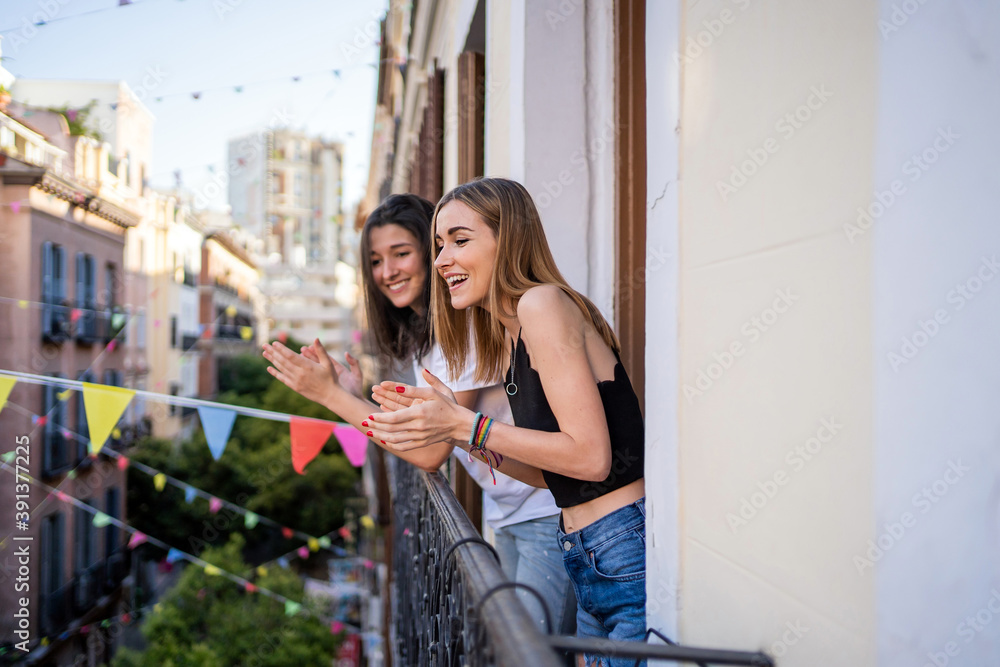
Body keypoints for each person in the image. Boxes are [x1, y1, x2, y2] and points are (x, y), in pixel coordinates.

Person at [261, 193, 575, 635]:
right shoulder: (429, 333)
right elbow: (422, 427)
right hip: (510, 512)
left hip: (545, 512)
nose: (387, 271)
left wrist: (331, 397)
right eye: (375, 260)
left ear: (434, 253)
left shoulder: (461, 325)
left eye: (401, 253)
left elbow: (430, 452)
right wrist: (354, 394)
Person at [366, 178, 647, 666]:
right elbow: (551, 473)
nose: (441, 261)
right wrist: (456, 429)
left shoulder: (542, 304)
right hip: (585, 550)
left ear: (509, 237)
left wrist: (464, 426)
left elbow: (592, 457)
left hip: (620, 543)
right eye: (438, 245)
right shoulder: (515, 330)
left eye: (459, 240)